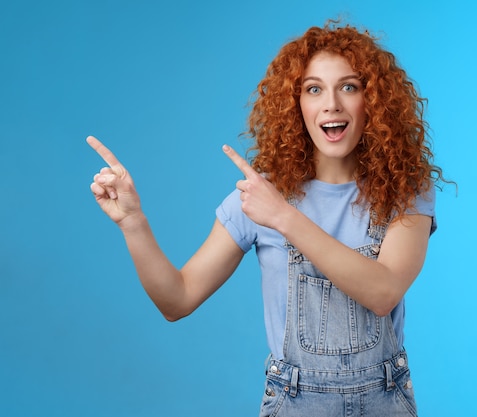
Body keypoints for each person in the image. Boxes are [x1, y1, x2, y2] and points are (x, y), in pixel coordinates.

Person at [88, 21, 446, 417]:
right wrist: (133, 222)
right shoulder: (260, 198)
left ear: (374, 101)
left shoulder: (405, 192)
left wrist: (285, 218)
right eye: (314, 89)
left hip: (385, 404)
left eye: (349, 86)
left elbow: (384, 293)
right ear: (296, 106)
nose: (332, 104)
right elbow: (177, 299)